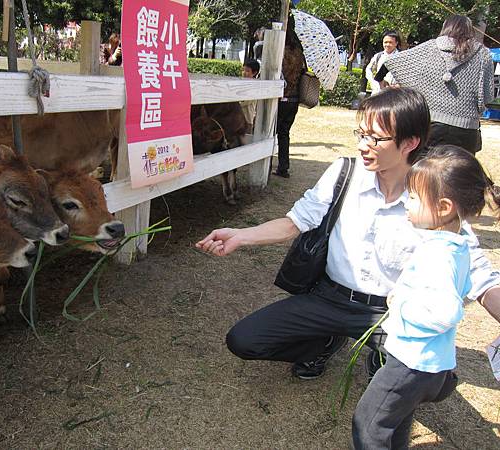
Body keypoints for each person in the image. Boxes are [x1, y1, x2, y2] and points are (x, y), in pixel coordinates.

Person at [196, 87, 500, 384]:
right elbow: (294, 222)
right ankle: (324, 344)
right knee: (244, 340)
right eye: (361, 134)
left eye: (375, 138)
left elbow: (480, 275)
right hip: (329, 297)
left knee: (431, 376)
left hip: (390, 313)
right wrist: (239, 236)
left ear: (410, 142)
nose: (363, 145)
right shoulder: (346, 172)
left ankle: (382, 357)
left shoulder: (432, 198)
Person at [353, 145, 500, 449]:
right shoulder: (455, 243)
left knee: (368, 424)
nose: (407, 203)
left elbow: (446, 312)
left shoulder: (438, 254)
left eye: (415, 198)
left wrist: (401, 307)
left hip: (410, 362)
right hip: (431, 362)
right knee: (397, 415)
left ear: (444, 207)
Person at [375, 15, 494, 154]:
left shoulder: (429, 48)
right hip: (466, 132)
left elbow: (393, 61)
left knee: (423, 173)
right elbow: (487, 98)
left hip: (430, 128)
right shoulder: (483, 54)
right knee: (458, 175)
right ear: (470, 30)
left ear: (445, 28)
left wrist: (380, 78)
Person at [273, 17, 307, 178]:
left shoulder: (279, 52)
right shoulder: (299, 53)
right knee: (284, 133)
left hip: (280, 98)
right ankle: (283, 167)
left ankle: (265, 166)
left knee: (270, 132)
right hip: (294, 99)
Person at [240, 59, 260, 133]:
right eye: (243, 70)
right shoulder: (242, 83)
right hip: (238, 118)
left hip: (247, 120)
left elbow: (246, 102)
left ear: (254, 73)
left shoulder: (254, 86)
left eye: (247, 71)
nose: (244, 73)